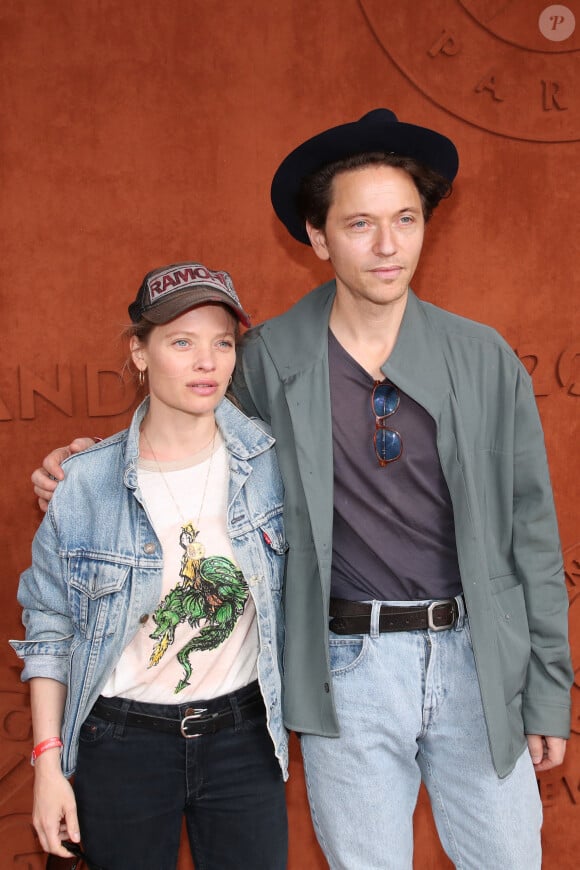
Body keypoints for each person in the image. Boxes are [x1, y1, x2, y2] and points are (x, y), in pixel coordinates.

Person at [31, 110, 572, 870]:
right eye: (360, 224)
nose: (388, 246)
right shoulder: (268, 358)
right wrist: (87, 465)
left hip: (478, 659)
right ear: (318, 238)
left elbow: (534, 541)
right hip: (344, 666)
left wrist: (548, 692)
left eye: (405, 220)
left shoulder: (482, 358)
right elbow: (186, 438)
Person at [12, 263, 289, 870]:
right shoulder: (84, 484)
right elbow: (50, 631)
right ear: (140, 352)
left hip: (243, 738)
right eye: (181, 342)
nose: (206, 362)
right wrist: (48, 763)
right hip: (122, 745)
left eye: (221, 343)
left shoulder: (273, 465)